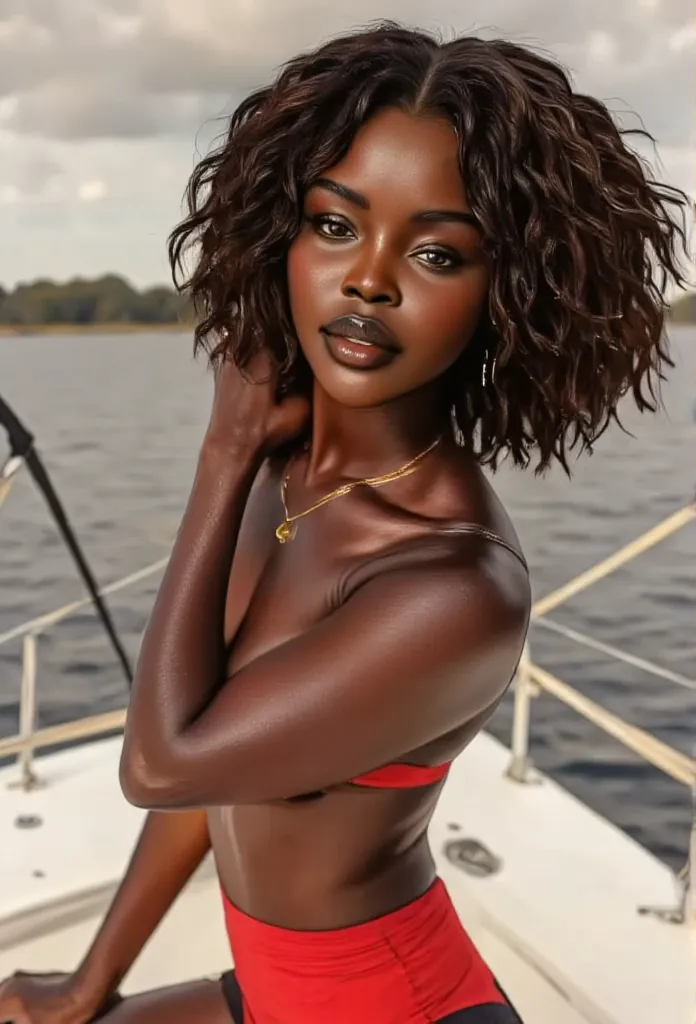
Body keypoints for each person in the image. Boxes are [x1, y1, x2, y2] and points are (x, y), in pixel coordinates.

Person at [0, 20, 687, 1024]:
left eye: (439, 252)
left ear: (509, 294)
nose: (369, 277)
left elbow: (162, 762)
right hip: (274, 994)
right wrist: (89, 983)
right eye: (335, 224)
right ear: (280, 235)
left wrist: (221, 455)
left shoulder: (454, 585)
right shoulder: (288, 479)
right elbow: (216, 772)